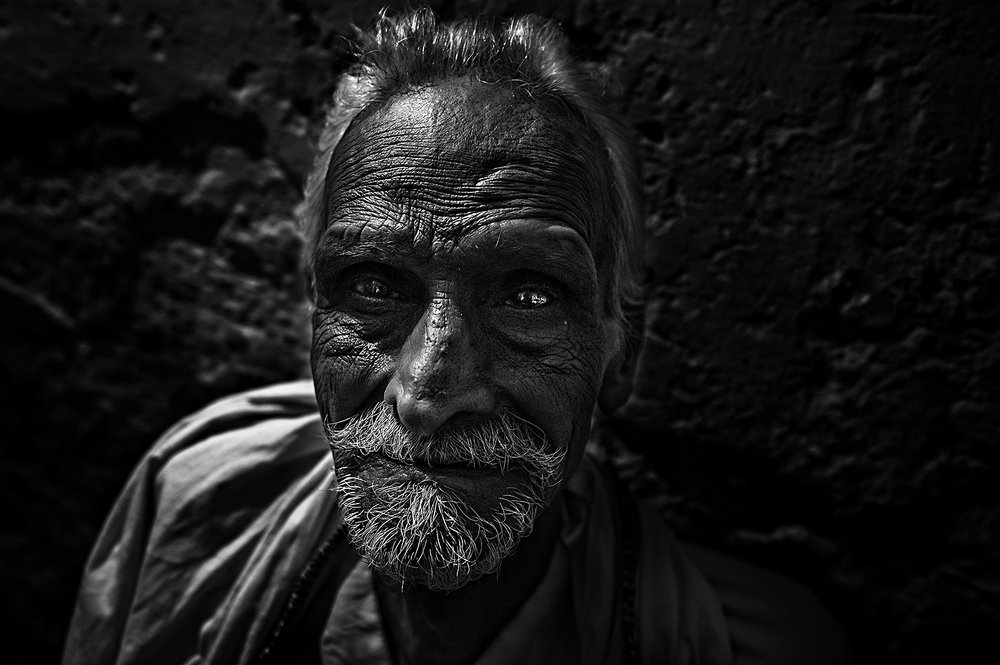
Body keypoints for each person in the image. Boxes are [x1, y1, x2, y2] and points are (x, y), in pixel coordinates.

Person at [63, 8, 852, 665]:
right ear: (312, 312)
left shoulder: (757, 649)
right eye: (373, 286)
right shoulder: (195, 506)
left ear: (621, 351)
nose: (427, 391)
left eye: (528, 294)